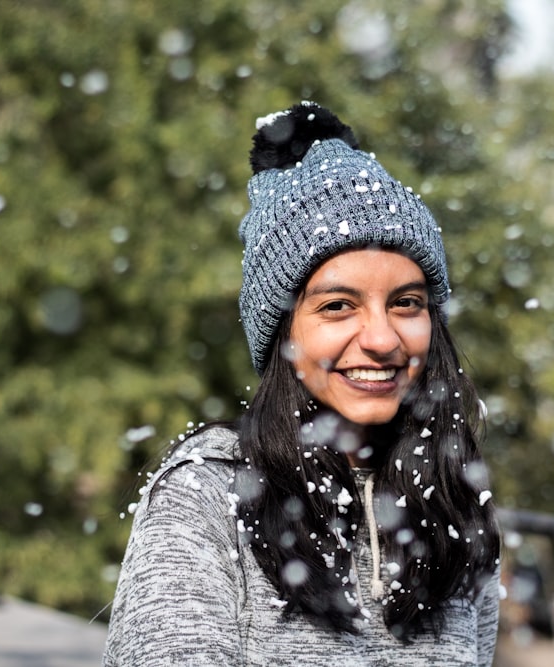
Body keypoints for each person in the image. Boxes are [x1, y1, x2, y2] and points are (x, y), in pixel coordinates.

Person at [103, 101, 501, 666]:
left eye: (406, 303)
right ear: (283, 334)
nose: (383, 339)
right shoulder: (208, 500)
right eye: (338, 306)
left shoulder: (453, 503)